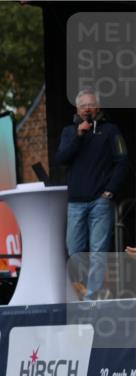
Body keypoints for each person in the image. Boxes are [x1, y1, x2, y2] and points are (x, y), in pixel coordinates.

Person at [55, 89, 128, 299]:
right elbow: (61, 159)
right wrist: (79, 135)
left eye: (91, 104)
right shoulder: (69, 132)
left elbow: (122, 161)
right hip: (76, 202)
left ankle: (92, 296)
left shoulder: (111, 130)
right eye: (83, 105)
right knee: (74, 251)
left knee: (98, 252)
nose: (87, 108)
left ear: (99, 107)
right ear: (77, 109)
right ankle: (80, 291)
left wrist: (110, 191)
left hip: (100, 201)